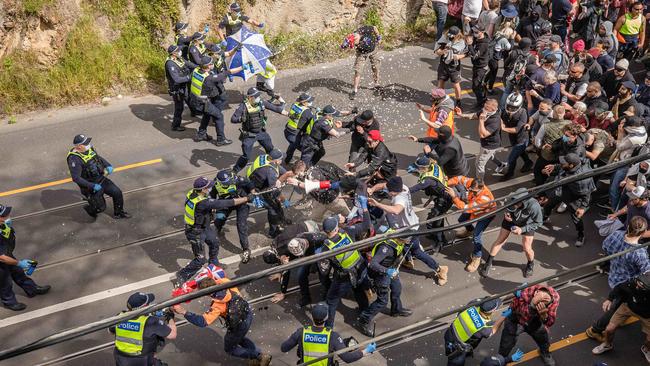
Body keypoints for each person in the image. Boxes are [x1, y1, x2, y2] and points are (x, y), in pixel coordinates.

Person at [173, 277, 272, 366]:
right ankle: (255, 356)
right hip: (247, 314)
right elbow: (207, 278)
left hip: (237, 325)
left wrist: (183, 312)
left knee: (230, 349)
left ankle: (258, 356)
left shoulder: (218, 305)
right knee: (240, 338)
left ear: (209, 293)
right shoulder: (224, 281)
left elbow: (202, 322)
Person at [369, 176, 449, 285]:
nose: (388, 193)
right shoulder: (403, 187)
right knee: (407, 248)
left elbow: (397, 210)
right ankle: (409, 260)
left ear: (396, 191)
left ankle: (440, 269)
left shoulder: (400, 199)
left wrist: (377, 204)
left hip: (408, 230)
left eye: (390, 192)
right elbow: (383, 185)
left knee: (416, 251)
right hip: (405, 226)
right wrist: (372, 189)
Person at [586, 216, 650, 343]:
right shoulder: (639, 252)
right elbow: (646, 273)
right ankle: (595, 330)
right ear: (643, 233)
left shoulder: (616, 235)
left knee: (619, 303)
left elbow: (605, 247)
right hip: (626, 285)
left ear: (628, 227)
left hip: (614, 276)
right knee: (615, 307)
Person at [178, 177, 249, 283]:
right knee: (200, 259)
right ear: (202, 189)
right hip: (195, 232)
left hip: (204, 227)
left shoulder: (192, 193)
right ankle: (182, 275)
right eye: (208, 187)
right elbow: (226, 203)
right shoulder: (203, 202)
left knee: (214, 243)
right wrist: (246, 199)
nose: (210, 188)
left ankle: (214, 266)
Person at [321, 209, 374, 328]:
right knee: (359, 290)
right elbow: (366, 224)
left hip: (344, 278)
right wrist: (365, 208)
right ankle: (364, 312)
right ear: (336, 229)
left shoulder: (326, 248)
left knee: (331, 300)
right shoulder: (348, 232)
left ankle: (328, 328)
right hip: (360, 269)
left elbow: (324, 271)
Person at [281, 302, 377, 365]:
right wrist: (366, 350)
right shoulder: (332, 336)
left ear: (312, 316)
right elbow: (348, 358)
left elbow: (284, 348)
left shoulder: (301, 332)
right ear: (326, 318)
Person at [356, 233, 412, 336]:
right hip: (381, 274)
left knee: (397, 288)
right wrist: (387, 271)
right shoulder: (385, 248)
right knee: (382, 301)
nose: (409, 241)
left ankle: (396, 310)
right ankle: (363, 319)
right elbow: (372, 264)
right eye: (407, 240)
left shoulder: (399, 241)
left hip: (391, 268)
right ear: (400, 239)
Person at [480, 188, 544, 278]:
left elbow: (539, 222)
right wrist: (507, 215)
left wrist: (522, 229)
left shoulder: (534, 206)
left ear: (524, 201)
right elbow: (506, 208)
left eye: (518, 204)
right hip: (510, 221)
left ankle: (530, 263)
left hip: (527, 224)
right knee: (500, 240)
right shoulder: (510, 199)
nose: (515, 206)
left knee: (527, 248)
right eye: (514, 202)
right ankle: (488, 263)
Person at [263, 220, 329, 306]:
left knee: (321, 271)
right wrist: (280, 271)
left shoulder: (312, 238)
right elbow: (284, 266)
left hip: (310, 231)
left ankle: (328, 291)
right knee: (301, 275)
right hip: (302, 228)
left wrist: (283, 292)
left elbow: (286, 271)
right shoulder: (274, 244)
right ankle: (306, 298)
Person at [67, 134, 130, 219]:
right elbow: (76, 178)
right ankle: (90, 209)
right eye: (85, 143)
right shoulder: (74, 159)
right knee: (100, 208)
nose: (88, 145)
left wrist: (108, 165)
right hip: (90, 185)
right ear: (79, 146)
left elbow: (98, 158)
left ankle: (119, 213)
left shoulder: (88, 149)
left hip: (101, 178)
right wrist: (93, 186)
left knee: (117, 193)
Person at [0, 205, 50, 311]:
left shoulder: (2, 225)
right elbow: (2, 258)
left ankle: (32, 289)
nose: (8, 216)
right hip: (2, 258)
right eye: (5, 215)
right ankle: (9, 302)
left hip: (6, 253)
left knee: (18, 272)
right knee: (5, 281)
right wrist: (19, 263)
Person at [591, 272, 650, 361]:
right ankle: (607, 344)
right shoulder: (632, 283)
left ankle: (646, 349)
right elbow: (618, 288)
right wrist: (609, 299)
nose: (637, 287)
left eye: (641, 287)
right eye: (637, 283)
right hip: (627, 307)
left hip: (646, 315)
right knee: (609, 329)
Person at [541, 153, 595, 247]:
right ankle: (544, 217)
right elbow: (562, 168)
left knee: (576, 217)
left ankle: (581, 235)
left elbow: (586, 193)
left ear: (571, 165)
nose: (562, 164)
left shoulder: (581, 180)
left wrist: (582, 207)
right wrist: (553, 167)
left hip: (573, 198)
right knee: (549, 204)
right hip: (561, 190)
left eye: (564, 163)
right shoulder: (570, 165)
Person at [498, 284, 560, 366]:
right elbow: (522, 312)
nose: (539, 306)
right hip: (516, 318)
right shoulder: (525, 291)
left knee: (543, 340)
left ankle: (544, 353)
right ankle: (500, 360)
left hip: (535, 321)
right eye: (536, 305)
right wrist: (532, 306)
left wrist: (544, 317)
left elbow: (550, 322)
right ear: (536, 292)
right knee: (506, 342)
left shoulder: (554, 298)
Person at [110, 292, 176, 366]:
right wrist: (170, 318)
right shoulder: (151, 322)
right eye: (148, 304)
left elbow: (111, 331)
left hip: (121, 360)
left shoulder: (119, 317)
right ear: (144, 307)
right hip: (143, 361)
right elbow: (172, 335)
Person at [231, 87, 289, 173]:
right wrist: (241, 119)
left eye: (258, 96)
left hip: (261, 132)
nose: (258, 98)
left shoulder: (261, 103)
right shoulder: (243, 106)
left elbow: (275, 108)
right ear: (250, 98)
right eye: (256, 96)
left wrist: (288, 114)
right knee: (246, 156)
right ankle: (234, 171)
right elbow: (233, 119)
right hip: (249, 135)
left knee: (270, 149)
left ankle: (275, 166)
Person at [189, 55, 243, 145]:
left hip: (194, 100)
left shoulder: (196, 70)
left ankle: (201, 134)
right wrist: (242, 67)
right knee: (219, 116)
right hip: (202, 103)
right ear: (208, 66)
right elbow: (226, 73)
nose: (213, 64)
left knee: (207, 115)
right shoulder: (209, 78)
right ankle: (221, 139)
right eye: (212, 63)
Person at [446, 177, 497, 273]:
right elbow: (459, 178)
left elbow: (465, 208)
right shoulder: (472, 183)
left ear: (481, 189)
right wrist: (446, 183)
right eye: (470, 190)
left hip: (486, 215)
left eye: (474, 191)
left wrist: (454, 196)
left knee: (477, 236)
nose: (471, 192)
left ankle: (477, 257)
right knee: (462, 219)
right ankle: (469, 230)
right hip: (474, 208)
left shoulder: (484, 199)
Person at [444, 298, 508, 366]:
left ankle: (466, 354)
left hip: (450, 333)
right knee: (456, 362)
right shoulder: (483, 327)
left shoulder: (473, 304)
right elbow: (491, 332)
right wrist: (503, 317)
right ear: (493, 311)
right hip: (458, 348)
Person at [408, 155, 453, 250]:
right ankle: (434, 235)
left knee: (435, 221)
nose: (417, 169)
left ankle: (441, 241)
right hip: (441, 196)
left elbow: (414, 189)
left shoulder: (428, 180)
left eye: (418, 167)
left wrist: (401, 190)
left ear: (424, 168)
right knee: (437, 219)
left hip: (444, 200)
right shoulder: (434, 166)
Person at [210, 170, 253, 263]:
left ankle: (246, 249)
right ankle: (214, 237)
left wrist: (252, 194)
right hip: (226, 203)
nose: (229, 183)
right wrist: (213, 207)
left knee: (241, 225)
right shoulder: (215, 184)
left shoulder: (239, 179)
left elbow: (250, 185)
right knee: (218, 220)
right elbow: (212, 195)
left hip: (241, 202)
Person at [247, 149, 292, 238]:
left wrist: (289, 174)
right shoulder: (270, 171)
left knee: (277, 203)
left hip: (257, 181)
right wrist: (284, 200)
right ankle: (273, 232)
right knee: (272, 208)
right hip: (258, 190)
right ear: (275, 160)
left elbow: (281, 170)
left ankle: (282, 220)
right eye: (280, 159)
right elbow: (275, 191)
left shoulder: (265, 158)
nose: (281, 160)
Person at [458, 98, 506, 179]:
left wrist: (481, 120)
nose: (483, 110)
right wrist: (461, 115)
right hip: (486, 143)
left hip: (490, 145)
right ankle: (501, 165)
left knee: (479, 164)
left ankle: (479, 184)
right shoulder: (485, 111)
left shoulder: (495, 120)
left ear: (493, 109)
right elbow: (474, 115)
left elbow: (482, 135)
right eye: (484, 107)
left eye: (486, 109)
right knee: (489, 155)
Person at [342, 25, 382, 100]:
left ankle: (376, 84)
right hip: (361, 53)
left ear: (357, 38)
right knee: (358, 71)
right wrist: (344, 46)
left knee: (376, 67)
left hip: (373, 50)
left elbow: (374, 28)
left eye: (355, 44)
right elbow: (343, 47)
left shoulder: (364, 30)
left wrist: (378, 37)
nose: (355, 45)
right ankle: (354, 90)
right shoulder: (350, 39)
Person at [500, 92, 533, 181]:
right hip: (512, 137)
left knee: (511, 158)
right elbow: (501, 118)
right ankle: (528, 162)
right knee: (521, 152)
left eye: (513, 107)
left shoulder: (523, 113)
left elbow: (517, 129)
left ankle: (510, 174)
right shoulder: (504, 111)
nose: (510, 109)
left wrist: (503, 128)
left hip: (522, 139)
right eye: (509, 106)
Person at [165, 44, 197, 132]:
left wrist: (199, 67)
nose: (180, 51)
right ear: (173, 53)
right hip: (176, 89)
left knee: (188, 98)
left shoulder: (179, 58)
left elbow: (188, 64)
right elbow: (176, 79)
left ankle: (194, 112)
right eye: (178, 50)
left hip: (183, 85)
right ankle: (175, 125)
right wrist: (189, 77)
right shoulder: (170, 64)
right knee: (179, 107)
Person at [435, 26, 467, 107]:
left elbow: (466, 53)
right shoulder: (444, 37)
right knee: (440, 82)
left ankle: (458, 101)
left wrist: (459, 56)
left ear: (457, 35)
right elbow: (437, 51)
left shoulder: (461, 42)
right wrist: (442, 51)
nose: (450, 37)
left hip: (454, 66)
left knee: (456, 85)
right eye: (449, 34)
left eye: (452, 35)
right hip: (443, 64)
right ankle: (439, 99)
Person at [284, 93, 315, 164]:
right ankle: (301, 166)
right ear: (304, 102)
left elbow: (300, 114)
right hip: (295, 135)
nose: (311, 102)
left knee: (292, 145)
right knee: (306, 151)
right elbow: (312, 122)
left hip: (288, 131)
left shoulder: (294, 105)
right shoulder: (307, 112)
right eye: (309, 101)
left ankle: (287, 159)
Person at [467, 24, 491, 111]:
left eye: (476, 32)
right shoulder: (477, 39)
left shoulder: (484, 44)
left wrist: (469, 45)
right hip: (477, 65)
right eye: (474, 31)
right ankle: (482, 100)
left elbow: (475, 56)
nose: (474, 33)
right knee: (478, 86)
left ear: (482, 32)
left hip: (481, 67)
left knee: (476, 86)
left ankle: (481, 103)